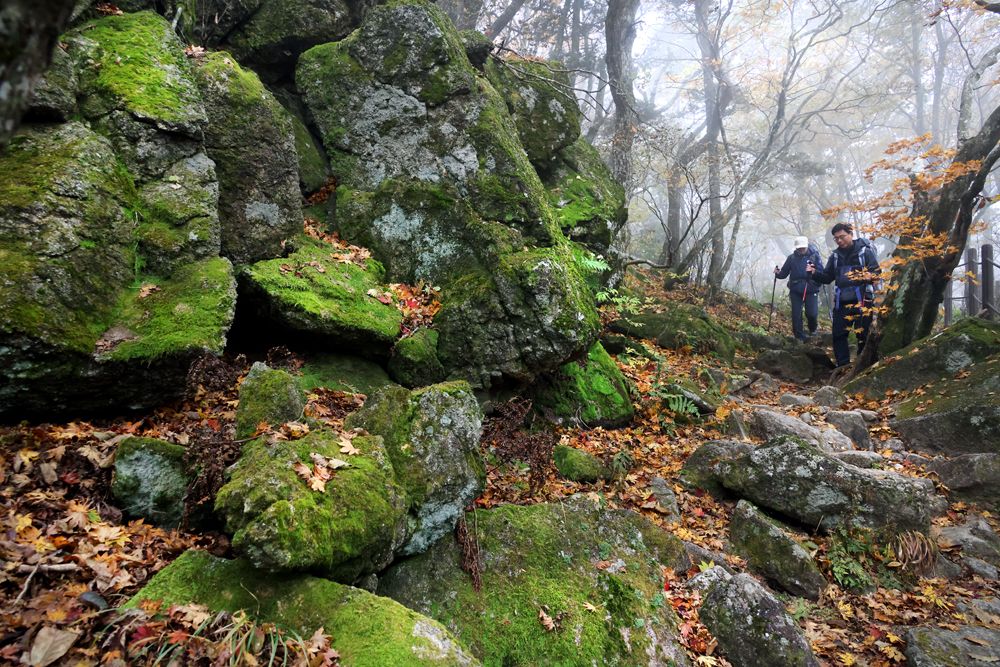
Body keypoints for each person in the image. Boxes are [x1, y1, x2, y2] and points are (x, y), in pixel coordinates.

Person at [807, 223, 880, 368]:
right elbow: (828, 277)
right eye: (836, 239)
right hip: (842, 302)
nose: (839, 241)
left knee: (863, 335)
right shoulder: (835, 256)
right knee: (838, 335)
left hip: (863, 301)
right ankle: (842, 367)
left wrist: (869, 276)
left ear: (851, 234)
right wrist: (814, 273)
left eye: (842, 237)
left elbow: (876, 272)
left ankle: (862, 366)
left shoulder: (865, 252)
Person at [774, 236, 822, 342]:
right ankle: (799, 337)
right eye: (799, 248)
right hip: (795, 289)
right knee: (796, 314)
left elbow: (821, 273)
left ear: (806, 246)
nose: (801, 250)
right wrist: (777, 273)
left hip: (811, 288)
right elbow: (783, 273)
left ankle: (813, 329)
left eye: (802, 248)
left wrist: (814, 273)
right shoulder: (791, 258)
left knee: (812, 314)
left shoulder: (815, 256)